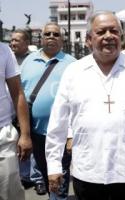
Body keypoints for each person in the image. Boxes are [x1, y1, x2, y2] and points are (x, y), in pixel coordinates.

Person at [45, 11, 125, 200]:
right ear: (89, 39)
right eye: (101, 32)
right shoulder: (74, 72)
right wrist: (54, 166)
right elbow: (58, 122)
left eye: (114, 31)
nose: (109, 36)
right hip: (88, 172)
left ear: (121, 36)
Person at [21, 22, 76, 200]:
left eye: (56, 34)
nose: (51, 37)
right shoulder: (28, 61)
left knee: (59, 178)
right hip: (36, 133)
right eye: (48, 34)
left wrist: (71, 134)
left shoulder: (73, 64)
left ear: (62, 39)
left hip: (62, 135)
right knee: (46, 175)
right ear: (41, 38)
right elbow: (19, 95)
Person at [10, 28, 47, 195]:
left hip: (29, 106)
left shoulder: (33, 60)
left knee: (31, 141)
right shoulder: (8, 58)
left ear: (27, 43)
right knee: (18, 142)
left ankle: (37, 179)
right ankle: (24, 176)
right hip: (12, 109)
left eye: (17, 40)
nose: (13, 43)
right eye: (12, 40)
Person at [0, 42, 32, 200]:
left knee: (9, 193)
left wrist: (25, 135)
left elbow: (17, 93)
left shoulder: (4, 50)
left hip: (2, 137)